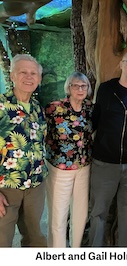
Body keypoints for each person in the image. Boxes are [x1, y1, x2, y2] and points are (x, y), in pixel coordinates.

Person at [89, 51, 127, 247]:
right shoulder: (106, 89)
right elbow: (95, 120)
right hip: (104, 163)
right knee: (99, 211)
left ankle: (124, 250)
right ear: (122, 65)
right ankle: (95, 251)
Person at [0, 54, 48, 247]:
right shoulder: (2, 107)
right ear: (12, 76)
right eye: (23, 72)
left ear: (39, 79)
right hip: (6, 185)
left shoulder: (38, 109)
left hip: (35, 184)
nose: (29, 77)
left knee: (35, 238)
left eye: (33, 73)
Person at [45, 71, 93, 247]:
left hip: (83, 168)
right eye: (75, 85)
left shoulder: (90, 108)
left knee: (80, 214)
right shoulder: (54, 108)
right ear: (68, 87)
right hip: (60, 169)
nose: (80, 89)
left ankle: (75, 250)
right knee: (58, 214)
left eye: (83, 86)